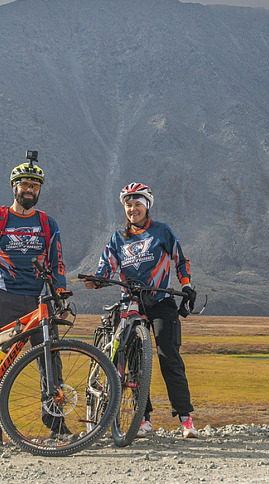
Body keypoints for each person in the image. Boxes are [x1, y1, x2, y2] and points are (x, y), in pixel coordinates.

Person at [0, 154, 68, 445]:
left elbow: (57, 262)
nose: (30, 190)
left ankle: (56, 426)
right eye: (24, 184)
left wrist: (59, 291)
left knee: (50, 362)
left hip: (40, 301)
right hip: (4, 300)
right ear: (14, 187)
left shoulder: (48, 224)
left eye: (35, 185)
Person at [83, 182, 199, 438]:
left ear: (147, 206)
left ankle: (185, 419)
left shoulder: (162, 232)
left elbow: (181, 259)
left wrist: (187, 285)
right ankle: (143, 419)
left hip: (160, 301)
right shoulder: (118, 238)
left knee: (169, 356)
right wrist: (97, 280)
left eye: (138, 204)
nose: (133, 208)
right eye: (128, 204)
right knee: (133, 361)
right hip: (131, 303)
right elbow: (106, 267)